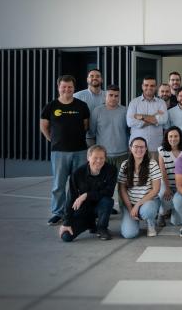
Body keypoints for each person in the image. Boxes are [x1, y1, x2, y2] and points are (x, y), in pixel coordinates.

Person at [40, 75, 90, 226]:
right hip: (59, 152)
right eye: (64, 87)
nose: (67, 89)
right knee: (58, 185)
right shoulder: (51, 106)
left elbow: (86, 126)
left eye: (70, 87)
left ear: (74, 88)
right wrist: (53, 140)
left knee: (80, 184)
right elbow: (44, 126)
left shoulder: (81, 105)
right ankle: (58, 212)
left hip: (80, 151)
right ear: (58, 87)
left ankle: (78, 210)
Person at [59, 145, 117, 242]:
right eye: (95, 158)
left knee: (107, 201)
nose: (98, 161)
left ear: (105, 158)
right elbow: (71, 198)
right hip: (84, 210)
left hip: (100, 206)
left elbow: (109, 192)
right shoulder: (77, 173)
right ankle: (90, 224)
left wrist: (86, 195)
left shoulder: (111, 170)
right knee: (66, 236)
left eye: (101, 158)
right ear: (88, 158)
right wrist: (66, 222)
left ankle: (101, 228)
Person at [118, 137, 161, 238]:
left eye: (142, 147)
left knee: (148, 210)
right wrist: (130, 208)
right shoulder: (125, 164)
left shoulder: (152, 164)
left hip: (147, 202)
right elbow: (122, 189)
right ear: (130, 148)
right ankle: (131, 219)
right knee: (129, 234)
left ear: (146, 149)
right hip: (130, 203)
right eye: (136, 146)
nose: (139, 149)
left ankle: (150, 223)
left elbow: (156, 190)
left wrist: (137, 205)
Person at [126, 76, 168, 159]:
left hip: (155, 147)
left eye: (152, 86)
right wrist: (155, 119)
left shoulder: (161, 103)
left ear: (155, 87)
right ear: (142, 86)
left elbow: (163, 120)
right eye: (146, 85)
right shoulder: (134, 103)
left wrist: (141, 117)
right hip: (136, 148)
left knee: (155, 171)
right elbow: (130, 122)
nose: (149, 87)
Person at [90, 85, 129, 171]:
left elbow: (129, 131)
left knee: (121, 182)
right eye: (110, 95)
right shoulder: (97, 111)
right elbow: (92, 133)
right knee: (103, 182)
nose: (113, 98)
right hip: (103, 155)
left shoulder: (125, 111)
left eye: (116, 96)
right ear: (105, 96)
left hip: (122, 154)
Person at [156, 127, 182, 227]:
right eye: (170, 136)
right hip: (167, 182)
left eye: (176, 136)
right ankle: (161, 213)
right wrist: (168, 187)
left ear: (180, 137)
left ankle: (175, 211)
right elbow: (163, 171)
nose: (173, 139)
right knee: (164, 196)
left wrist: (181, 188)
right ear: (167, 137)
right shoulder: (162, 150)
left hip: (181, 184)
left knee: (176, 223)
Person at [74, 69, 105, 147]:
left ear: (102, 80)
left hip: (105, 136)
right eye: (91, 76)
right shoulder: (77, 96)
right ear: (87, 79)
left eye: (97, 76)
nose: (94, 78)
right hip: (86, 137)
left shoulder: (109, 96)